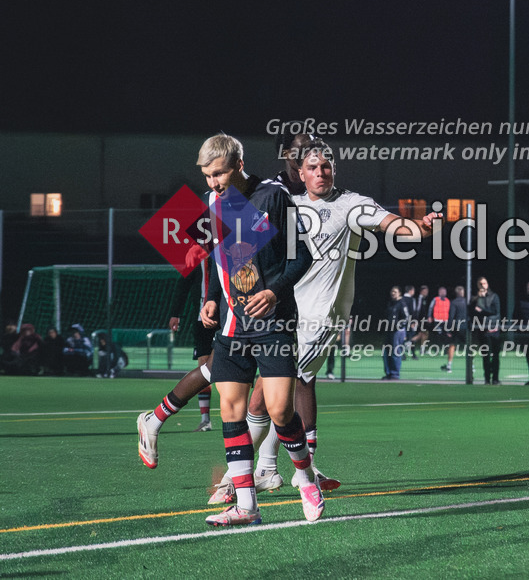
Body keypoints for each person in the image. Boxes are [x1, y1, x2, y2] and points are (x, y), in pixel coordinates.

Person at [222, 139, 442, 503]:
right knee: (281, 393)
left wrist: (421, 228)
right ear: (301, 174)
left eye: (326, 167)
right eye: (312, 168)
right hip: (289, 315)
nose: (320, 173)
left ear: (334, 169)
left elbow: (392, 225)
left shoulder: (351, 204)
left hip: (321, 319)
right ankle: (270, 469)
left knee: (263, 397)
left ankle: (237, 478)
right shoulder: (288, 206)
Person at [189, 133, 322, 526]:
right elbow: (221, 258)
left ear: (238, 165)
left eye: (219, 173)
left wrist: (273, 290)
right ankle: (247, 507)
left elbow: (302, 257)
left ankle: (306, 476)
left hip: (274, 319)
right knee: (231, 409)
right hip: (233, 323)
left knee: (280, 410)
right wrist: (211, 296)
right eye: (207, 176)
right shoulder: (214, 202)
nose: (213, 183)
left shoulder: (272, 197)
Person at [137, 251, 217, 471]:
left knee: (230, 378)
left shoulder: (237, 240)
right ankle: (204, 419)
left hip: (234, 314)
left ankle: (258, 468)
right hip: (205, 318)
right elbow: (183, 282)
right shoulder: (200, 249)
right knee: (207, 370)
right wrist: (176, 312)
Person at [470, 276, 501, 384]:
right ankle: (487, 378)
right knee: (486, 356)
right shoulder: (475, 298)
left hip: (494, 329)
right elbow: (472, 311)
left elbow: (494, 311)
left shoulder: (494, 296)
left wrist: (481, 310)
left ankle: (495, 378)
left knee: (495, 356)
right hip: (483, 330)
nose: (483, 285)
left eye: (484, 283)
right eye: (480, 284)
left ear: (487, 284)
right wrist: (478, 299)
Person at [383, 286, 410, 379]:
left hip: (397, 331)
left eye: (395, 292)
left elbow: (406, 318)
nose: (393, 293)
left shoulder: (402, 304)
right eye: (392, 291)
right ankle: (388, 372)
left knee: (395, 352)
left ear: (399, 293)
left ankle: (395, 373)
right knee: (386, 352)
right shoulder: (390, 303)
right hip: (389, 330)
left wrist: (398, 326)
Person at [442, 285, 468, 373]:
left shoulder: (453, 302)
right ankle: (472, 366)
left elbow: (451, 316)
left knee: (452, 345)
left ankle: (449, 365)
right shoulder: (467, 302)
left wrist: (448, 329)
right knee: (468, 346)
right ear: (463, 292)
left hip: (456, 327)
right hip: (465, 327)